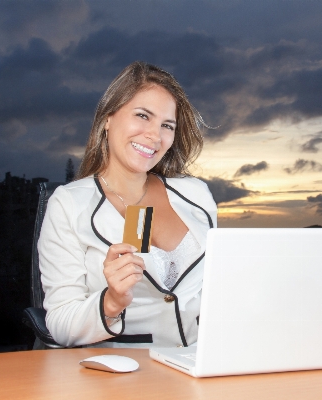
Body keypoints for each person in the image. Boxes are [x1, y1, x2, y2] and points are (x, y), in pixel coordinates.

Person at [38, 61, 217, 348]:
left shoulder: (197, 195)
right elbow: (60, 325)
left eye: (167, 125)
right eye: (143, 115)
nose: (154, 135)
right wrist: (111, 302)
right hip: (123, 374)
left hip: (200, 363)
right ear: (108, 118)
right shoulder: (69, 204)